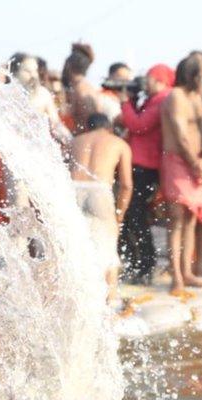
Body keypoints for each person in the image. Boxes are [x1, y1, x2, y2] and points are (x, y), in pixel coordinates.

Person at [161, 55, 202, 293]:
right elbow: (181, 136)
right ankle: (177, 278)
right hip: (178, 164)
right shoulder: (176, 97)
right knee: (177, 220)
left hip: (197, 164)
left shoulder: (196, 98)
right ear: (193, 75)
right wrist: (196, 165)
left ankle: (188, 272)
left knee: (192, 220)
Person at [118, 64, 173, 283]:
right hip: (141, 164)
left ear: (159, 80)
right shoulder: (155, 99)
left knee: (136, 216)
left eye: (149, 79)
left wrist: (124, 102)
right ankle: (140, 263)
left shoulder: (162, 100)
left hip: (146, 167)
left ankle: (145, 265)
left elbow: (138, 125)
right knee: (133, 216)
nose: (145, 82)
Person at [69, 113, 132, 299]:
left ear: (87, 127)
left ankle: (78, 295)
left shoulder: (75, 141)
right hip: (99, 191)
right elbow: (127, 185)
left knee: (75, 245)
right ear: (109, 128)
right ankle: (111, 299)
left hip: (72, 190)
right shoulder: (119, 143)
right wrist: (119, 214)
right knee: (108, 247)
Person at [8, 52, 61, 130]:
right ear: (14, 73)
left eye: (35, 71)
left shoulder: (43, 95)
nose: (34, 76)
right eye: (28, 71)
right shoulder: (5, 96)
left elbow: (57, 126)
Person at [61, 43, 100, 133]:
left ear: (68, 67)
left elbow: (87, 123)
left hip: (84, 139)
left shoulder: (80, 90)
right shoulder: (85, 87)